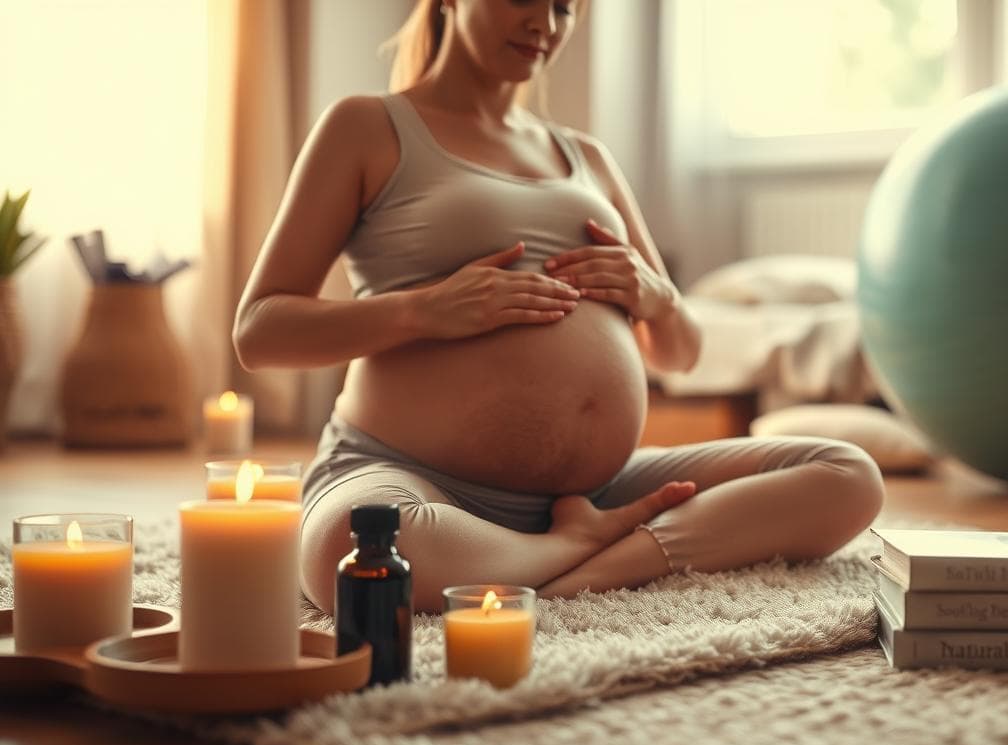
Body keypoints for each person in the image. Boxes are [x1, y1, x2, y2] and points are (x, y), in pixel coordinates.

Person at [233, 0, 884, 615]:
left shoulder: (587, 158)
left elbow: (680, 353)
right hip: (412, 475)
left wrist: (654, 298)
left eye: (566, 6)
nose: (545, 23)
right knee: (353, 549)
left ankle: (578, 565)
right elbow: (259, 332)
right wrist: (425, 310)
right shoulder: (366, 126)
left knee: (846, 474)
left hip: (596, 491)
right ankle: (578, 552)